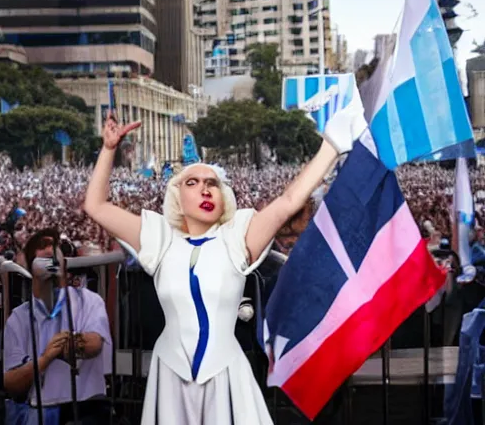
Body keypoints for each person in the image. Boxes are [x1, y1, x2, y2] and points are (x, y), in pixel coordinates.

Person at [84, 100, 366, 424]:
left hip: (226, 376)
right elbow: (95, 205)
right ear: (177, 197)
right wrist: (108, 148)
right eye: (193, 182)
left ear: (223, 197)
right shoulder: (157, 238)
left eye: (212, 183)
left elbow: (289, 202)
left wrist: (331, 145)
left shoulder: (237, 238)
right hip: (170, 375)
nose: (205, 189)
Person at [3, 228, 112, 425]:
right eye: (42, 247)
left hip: (85, 407)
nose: (49, 251)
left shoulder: (89, 301)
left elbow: (94, 344)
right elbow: (11, 383)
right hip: (39, 410)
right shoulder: (18, 318)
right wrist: (45, 358)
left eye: (53, 247)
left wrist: (66, 345)